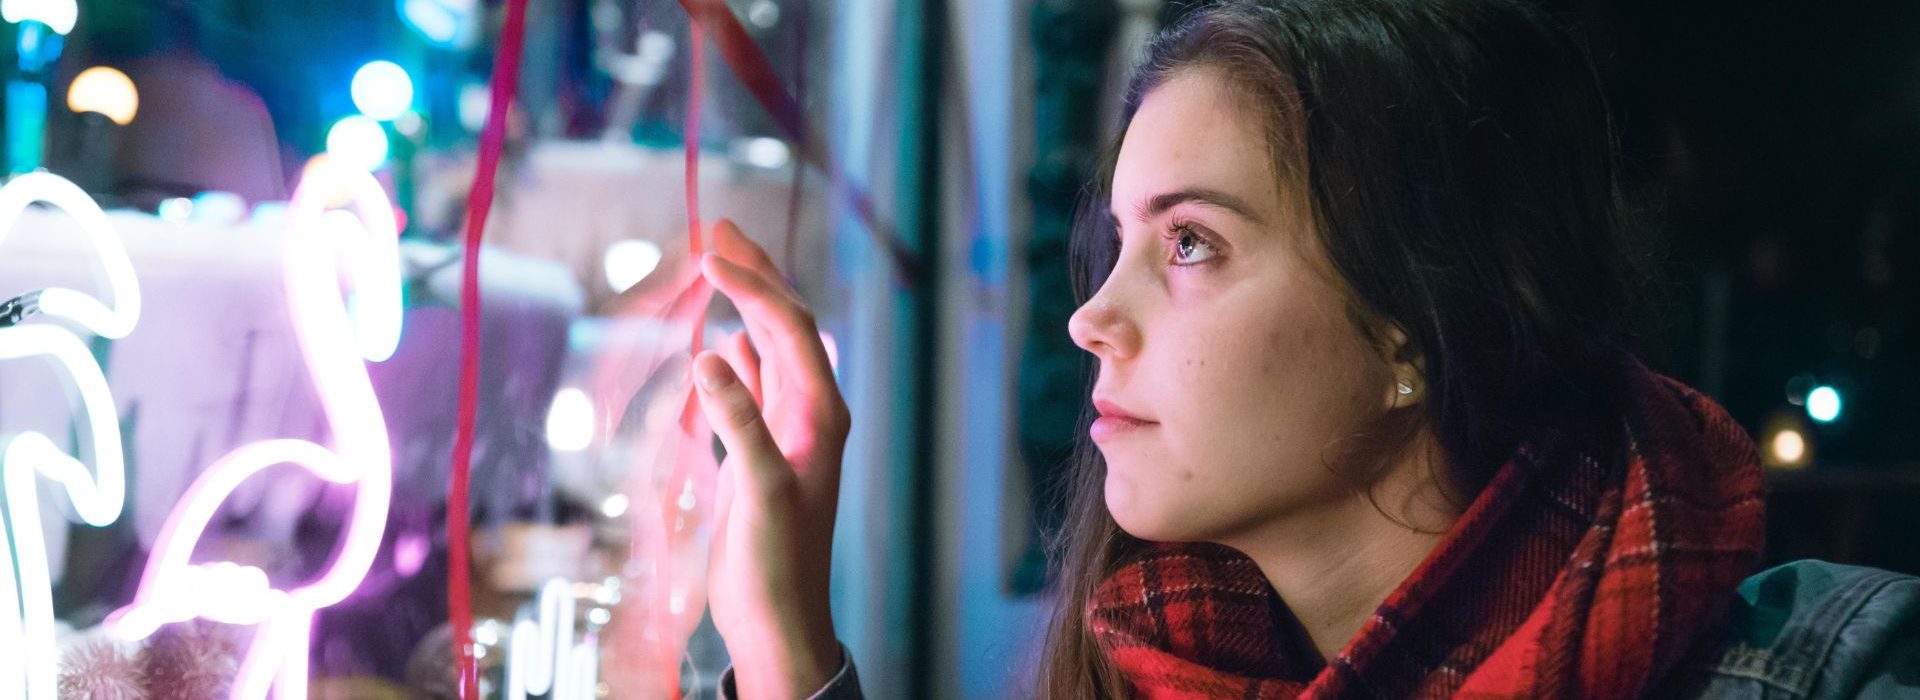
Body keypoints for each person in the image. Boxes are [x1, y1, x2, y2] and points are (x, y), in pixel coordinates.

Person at [687, 0, 1920, 697]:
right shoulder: (1156, 667)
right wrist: (781, 632)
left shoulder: (1837, 672)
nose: (1087, 318)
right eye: (1116, 240)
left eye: (1189, 245)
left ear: (1412, 326)